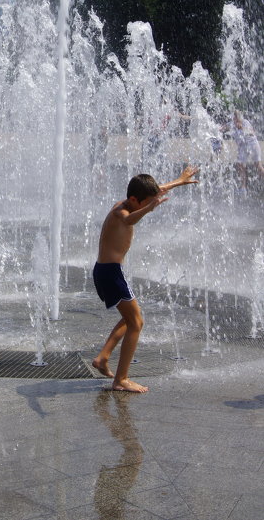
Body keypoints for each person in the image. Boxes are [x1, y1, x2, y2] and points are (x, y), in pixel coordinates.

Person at [91, 165, 199, 393]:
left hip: (107, 271)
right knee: (136, 322)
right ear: (133, 199)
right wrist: (149, 209)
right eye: (146, 201)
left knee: (131, 318)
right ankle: (121, 379)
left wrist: (179, 181)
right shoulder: (120, 211)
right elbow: (129, 220)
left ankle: (103, 358)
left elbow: (157, 190)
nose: (152, 202)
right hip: (110, 273)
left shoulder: (132, 201)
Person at [225, 111, 264, 192]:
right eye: (234, 117)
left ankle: (244, 187)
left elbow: (252, 132)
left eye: (236, 117)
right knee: (240, 165)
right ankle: (243, 188)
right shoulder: (231, 124)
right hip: (243, 147)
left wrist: (242, 128)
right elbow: (222, 128)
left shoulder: (245, 122)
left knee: (258, 167)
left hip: (252, 144)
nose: (235, 119)